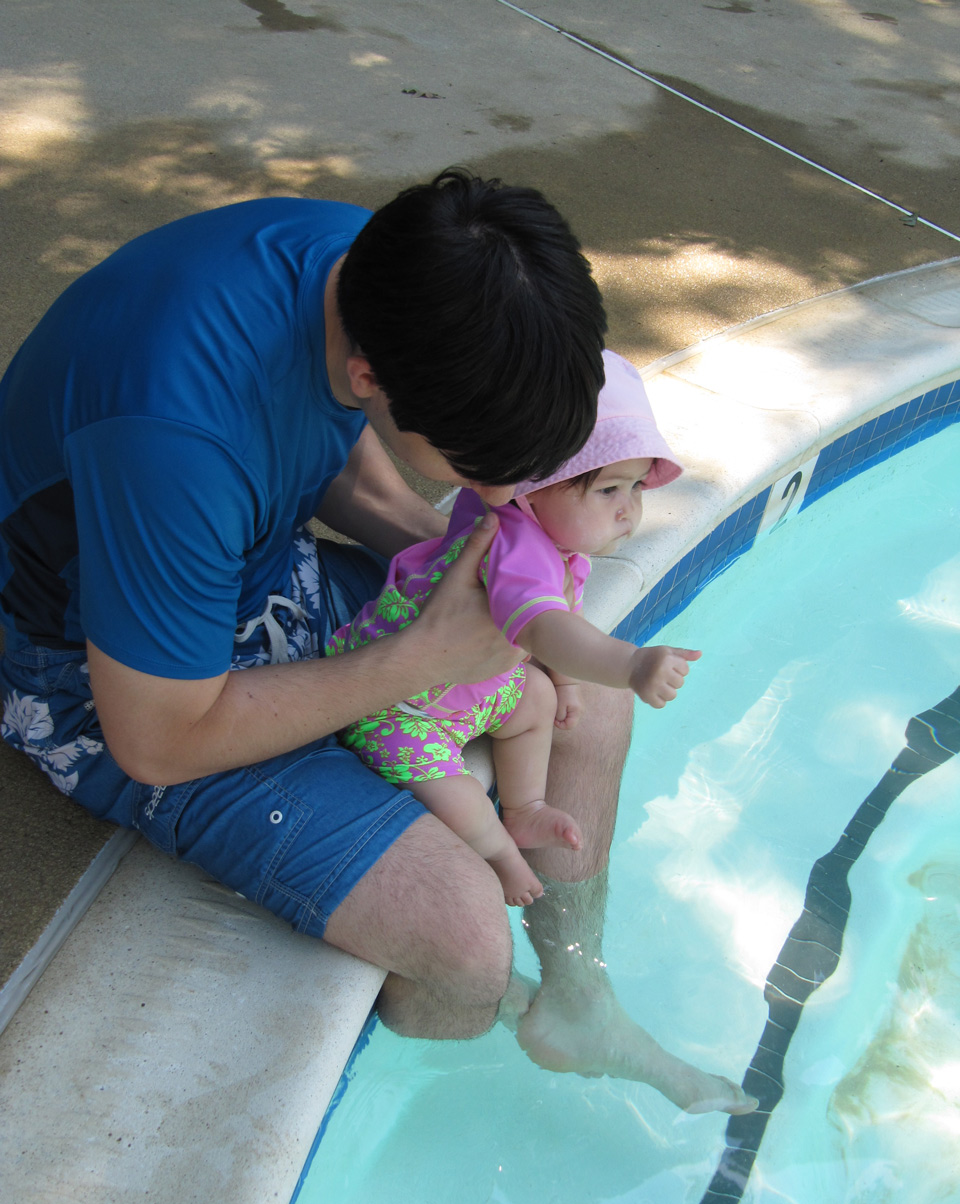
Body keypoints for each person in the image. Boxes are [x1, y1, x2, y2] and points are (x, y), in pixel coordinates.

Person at [0, 169, 756, 1115]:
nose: (510, 499)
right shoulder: (172, 435)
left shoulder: (379, 271)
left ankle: (577, 1000)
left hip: (253, 572)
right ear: (371, 379)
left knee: (591, 694)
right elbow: (154, 737)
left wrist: (485, 591)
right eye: (491, 470)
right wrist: (417, 659)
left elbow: (349, 477)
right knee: (463, 941)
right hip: (92, 669)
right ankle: (456, 1070)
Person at [326, 351, 697, 913]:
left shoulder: (558, 541)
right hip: (397, 706)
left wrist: (565, 684)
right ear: (532, 489)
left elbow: (562, 620)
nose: (628, 511)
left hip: (466, 687)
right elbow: (548, 628)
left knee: (538, 697)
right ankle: (501, 851)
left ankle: (524, 810)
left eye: (636, 488)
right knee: (459, 796)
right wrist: (631, 664)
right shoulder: (516, 543)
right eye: (607, 490)